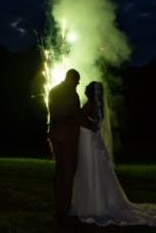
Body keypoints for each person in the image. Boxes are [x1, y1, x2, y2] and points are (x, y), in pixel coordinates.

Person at [71, 81, 156, 227]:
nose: (84, 88)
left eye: (87, 88)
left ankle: (95, 204)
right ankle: (92, 202)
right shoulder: (93, 104)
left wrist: (85, 122)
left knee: (93, 170)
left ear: (92, 92)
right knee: (90, 170)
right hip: (88, 142)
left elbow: (95, 124)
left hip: (90, 142)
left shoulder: (93, 106)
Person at [48, 69, 97, 225]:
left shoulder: (53, 91)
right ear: (72, 79)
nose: (78, 83)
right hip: (68, 135)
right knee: (68, 172)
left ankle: (58, 207)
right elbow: (76, 115)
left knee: (59, 171)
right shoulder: (72, 94)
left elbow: (53, 113)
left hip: (55, 134)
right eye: (77, 80)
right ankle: (65, 210)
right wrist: (92, 126)